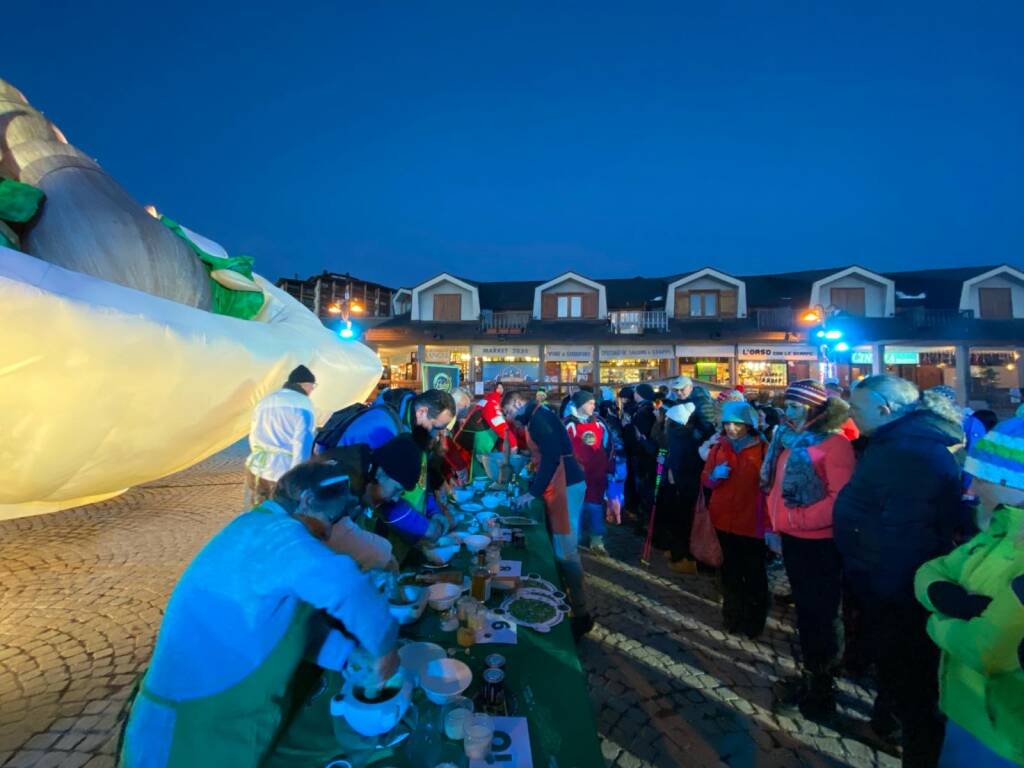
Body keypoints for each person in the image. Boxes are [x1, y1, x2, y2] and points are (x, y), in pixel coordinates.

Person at [120, 457, 399, 767]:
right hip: (189, 724)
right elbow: (347, 587)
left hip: (225, 716)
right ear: (305, 500)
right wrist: (384, 648)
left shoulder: (259, 527)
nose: (326, 535)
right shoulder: (279, 536)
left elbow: (289, 628)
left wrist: (346, 657)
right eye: (327, 523)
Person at [834, 376, 966, 761]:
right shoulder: (895, 442)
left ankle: (916, 751)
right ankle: (885, 722)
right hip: (885, 582)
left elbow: (905, 533)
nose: (852, 416)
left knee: (912, 681)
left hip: (897, 588)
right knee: (897, 673)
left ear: (884, 408)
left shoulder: (910, 452)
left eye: (856, 408)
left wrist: (875, 582)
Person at [915, 417, 1024, 768]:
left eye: (982, 477)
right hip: (968, 710)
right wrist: (942, 595)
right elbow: (931, 570)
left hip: (1003, 732)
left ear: (1013, 483)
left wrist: (933, 622)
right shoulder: (998, 529)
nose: (972, 489)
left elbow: (985, 651)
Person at [761, 379, 855, 720]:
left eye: (795, 404)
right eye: (787, 403)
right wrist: (777, 524)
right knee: (807, 611)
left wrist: (796, 519)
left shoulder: (832, 443)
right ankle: (813, 669)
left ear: (815, 407)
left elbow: (839, 498)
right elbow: (777, 485)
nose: (788, 409)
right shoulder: (788, 438)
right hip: (793, 537)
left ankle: (823, 681)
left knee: (822, 613)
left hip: (818, 541)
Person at [504, 390, 593, 639]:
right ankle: (567, 600)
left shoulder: (539, 419)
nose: (510, 419)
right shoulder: (536, 416)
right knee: (561, 547)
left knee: (566, 550)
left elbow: (552, 457)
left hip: (567, 483)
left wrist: (532, 492)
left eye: (509, 413)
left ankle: (581, 613)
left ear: (518, 404)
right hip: (560, 482)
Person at [327, 388, 456, 543]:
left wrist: (433, 511)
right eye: (435, 427)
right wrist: (426, 528)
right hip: (344, 518)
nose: (435, 435)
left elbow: (420, 476)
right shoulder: (382, 428)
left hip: (396, 521)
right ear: (422, 411)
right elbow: (383, 497)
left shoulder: (414, 428)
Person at [701, 401, 769, 637]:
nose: (731, 428)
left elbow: (770, 487)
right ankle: (732, 617)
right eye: (727, 423)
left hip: (752, 524)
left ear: (748, 425)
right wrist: (714, 477)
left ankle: (753, 622)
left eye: (737, 424)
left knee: (754, 576)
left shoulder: (763, 450)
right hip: (722, 521)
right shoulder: (719, 448)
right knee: (729, 575)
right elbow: (706, 479)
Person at [244, 365, 317, 509]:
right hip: (282, 471)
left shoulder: (266, 400)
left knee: (259, 512)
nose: (312, 390)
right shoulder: (303, 403)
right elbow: (302, 443)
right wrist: (298, 477)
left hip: (257, 467)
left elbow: (253, 434)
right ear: (302, 385)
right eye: (312, 386)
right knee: (282, 516)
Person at [565, 389, 614, 556]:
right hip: (576, 476)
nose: (594, 405)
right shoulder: (569, 424)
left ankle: (597, 539)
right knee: (575, 507)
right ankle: (574, 539)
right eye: (590, 403)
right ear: (581, 404)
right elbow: (562, 449)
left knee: (595, 506)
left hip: (596, 475)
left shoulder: (600, 423)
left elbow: (609, 446)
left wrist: (608, 466)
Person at [660, 403, 703, 574]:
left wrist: (671, 475)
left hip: (681, 485)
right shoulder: (686, 435)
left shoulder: (677, 436)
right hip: (683, 484)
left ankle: (683, 556)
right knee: (680, 521)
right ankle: (679, 552)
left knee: (681, 522)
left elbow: (677, 461)